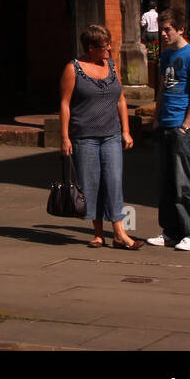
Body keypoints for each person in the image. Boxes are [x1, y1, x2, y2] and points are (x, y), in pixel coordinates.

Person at [59, 24, 143, 249]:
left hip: (111, 135)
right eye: (104, 46)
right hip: (84, 137)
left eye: (109, 45)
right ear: (90, 48)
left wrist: (125, 130)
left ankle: (119, 233)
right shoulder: (73, 69)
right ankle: (98, 234)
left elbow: (121, 99)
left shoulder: (112, 67)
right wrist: (65, 137)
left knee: (114, 182)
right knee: (91, 185)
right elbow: (65, 103)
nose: (109, 50)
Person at [148, 7, 190, 251]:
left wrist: (186, 125)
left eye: (167, 29)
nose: (162, 33)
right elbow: (162, 89)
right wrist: (156, 117)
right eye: (161, 29)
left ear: (180, 29)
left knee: (185, 182)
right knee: (166, 182)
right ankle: (170, 231)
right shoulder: (165, 57)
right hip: (165, 125)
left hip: (183, 129)